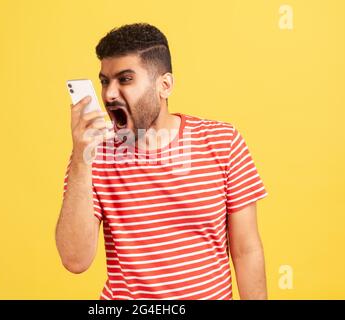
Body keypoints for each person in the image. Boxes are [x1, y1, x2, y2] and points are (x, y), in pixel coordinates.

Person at [56, 23, 269, 300]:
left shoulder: (222, 141)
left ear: (164, 85)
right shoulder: (93, 155)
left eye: (125, 79)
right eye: (105, 81)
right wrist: (82, 160)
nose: (109, 94)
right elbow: (75, 260)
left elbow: (246, 250)